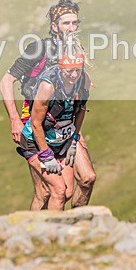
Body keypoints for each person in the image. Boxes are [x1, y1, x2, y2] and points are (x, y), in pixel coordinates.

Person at [0, 0, 96, 209]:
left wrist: (76, 132)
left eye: (75, 23)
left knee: (86, 178)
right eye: (66, 23)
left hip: (65, 123)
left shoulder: (76, 49)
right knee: (47, 191)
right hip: (35, 120)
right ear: (54, 26)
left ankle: (75, 225)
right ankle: (34, 233)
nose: (72, 28)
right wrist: (15, 120)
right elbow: (6, 81)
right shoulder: (39, 49)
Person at [17, 47, 91, 211]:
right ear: (60, 67)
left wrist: (74, 139)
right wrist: (46, 155)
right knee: (57, 190)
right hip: (35, 142)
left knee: (67, 193)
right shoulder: (48, 87)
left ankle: (42, 226)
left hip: (62, 141)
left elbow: (81, 110)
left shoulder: (83, 80)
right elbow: (36, 123)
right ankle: (50, 233)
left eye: (77, 71)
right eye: (69, 71)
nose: (73, 76)